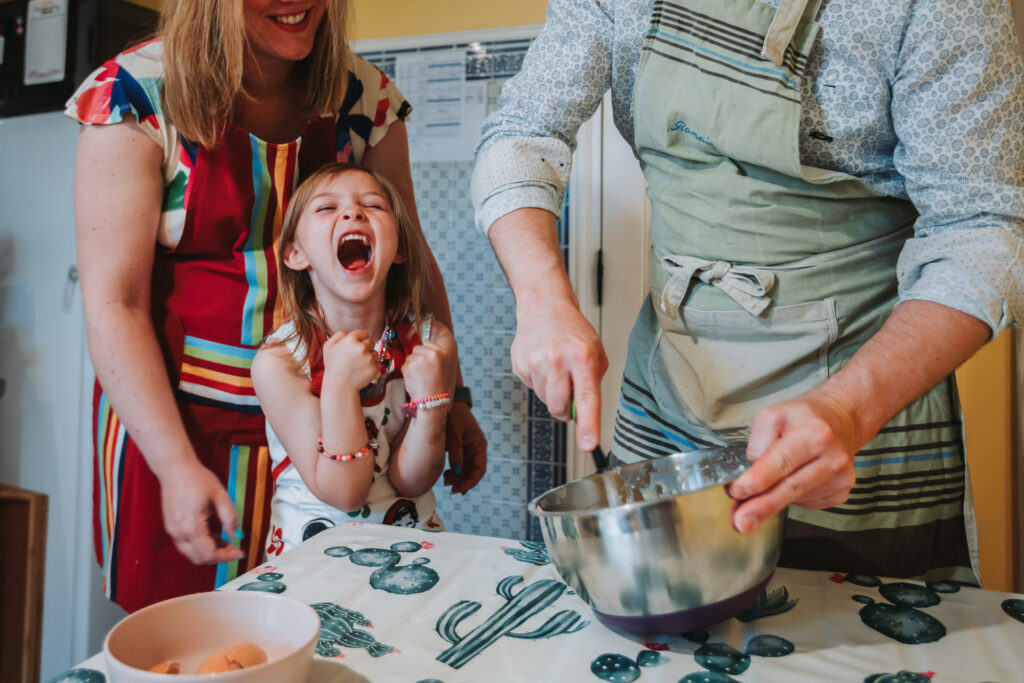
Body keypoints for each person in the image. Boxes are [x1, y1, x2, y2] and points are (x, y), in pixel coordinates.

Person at [472, 0, 1024, 583]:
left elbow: (984, 228)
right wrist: (542, 301)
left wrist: (847, 409)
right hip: (666, 397)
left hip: (862, 414)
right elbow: (522, 132)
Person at [67, 0, 485, 613]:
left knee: (341, 634)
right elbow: (115, 303)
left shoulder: (363, 100)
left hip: (337, 425)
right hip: (183, 428)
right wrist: (175, 465)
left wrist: (453, 398)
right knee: (201, 644)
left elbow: (410, 257)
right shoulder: (133, 96)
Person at [254, 163, 453, 556]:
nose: (352, 212)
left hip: (413, 551)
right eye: (327, 208)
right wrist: (340, 386)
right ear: (295, 254)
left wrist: (432, 410)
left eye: (373, 206)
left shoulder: (432, 345)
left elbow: (413, 482)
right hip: (312, 563)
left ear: (398, 250)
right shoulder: (281, 363)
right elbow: (344, 493)